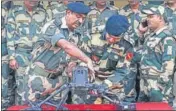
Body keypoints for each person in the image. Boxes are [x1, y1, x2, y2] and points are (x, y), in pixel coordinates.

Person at [22, 2, 94, 104]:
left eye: (83, 18)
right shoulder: (52, 26)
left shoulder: (77, 33)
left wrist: (72, 65)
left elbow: (73, 55)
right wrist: (87, 60)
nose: (81, 21)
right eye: (78, 17)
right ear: (68, 13)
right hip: (38, 79)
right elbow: (66, 46)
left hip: (59, 82)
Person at [6, 0, 48, 105]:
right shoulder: (15, 12)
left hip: (39, 56)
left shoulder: (44, 13)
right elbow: (9, 35)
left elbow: (48, 33)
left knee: (38, 86)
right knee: (21, 86)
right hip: (21, 54)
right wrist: (12, 57)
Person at [136, 5, 176, 107]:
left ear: (160, 18)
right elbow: (140, 52)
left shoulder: (167, 38)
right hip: (145, 85)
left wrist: (159, 87)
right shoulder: (151, 35)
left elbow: (169, 67)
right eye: (147, 17)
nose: (147, 19)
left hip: (157, 89)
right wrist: (141, 32)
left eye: (151, 16)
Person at [1, 1, 15, 109]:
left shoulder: (12, 8)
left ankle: (6, 103)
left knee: (7, 79)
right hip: (4, 50)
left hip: (8, 51)